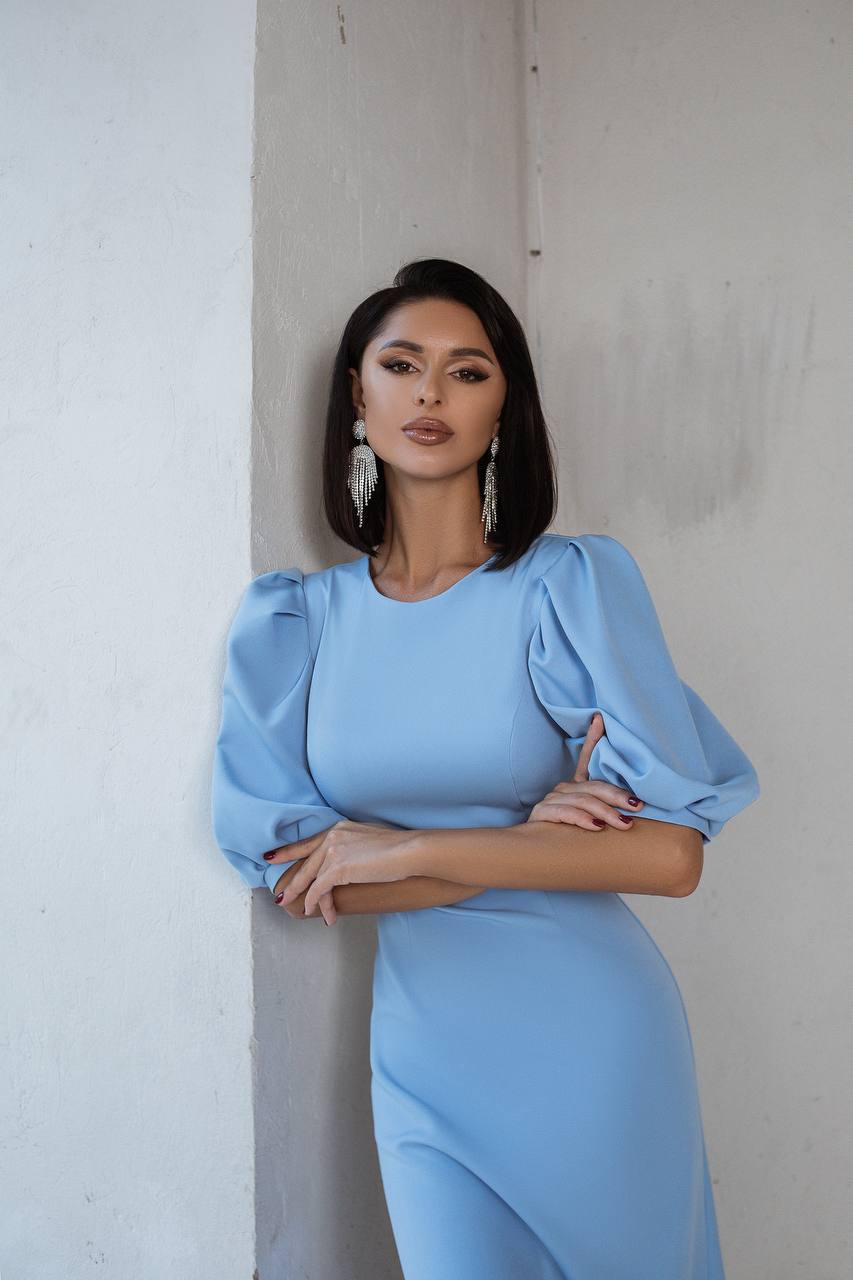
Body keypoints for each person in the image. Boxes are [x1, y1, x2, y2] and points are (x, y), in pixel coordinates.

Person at [211, 257, 760, 1279]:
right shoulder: (294, 621)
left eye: (468, 372)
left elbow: (669, 857)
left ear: (505, 408)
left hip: (593, 1041)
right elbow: (300, 876)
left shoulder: (568, 587)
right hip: (424, 1060)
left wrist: (402, 846)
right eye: (402, 363)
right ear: (357, 394)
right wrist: (528, 840)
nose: (430, 392)